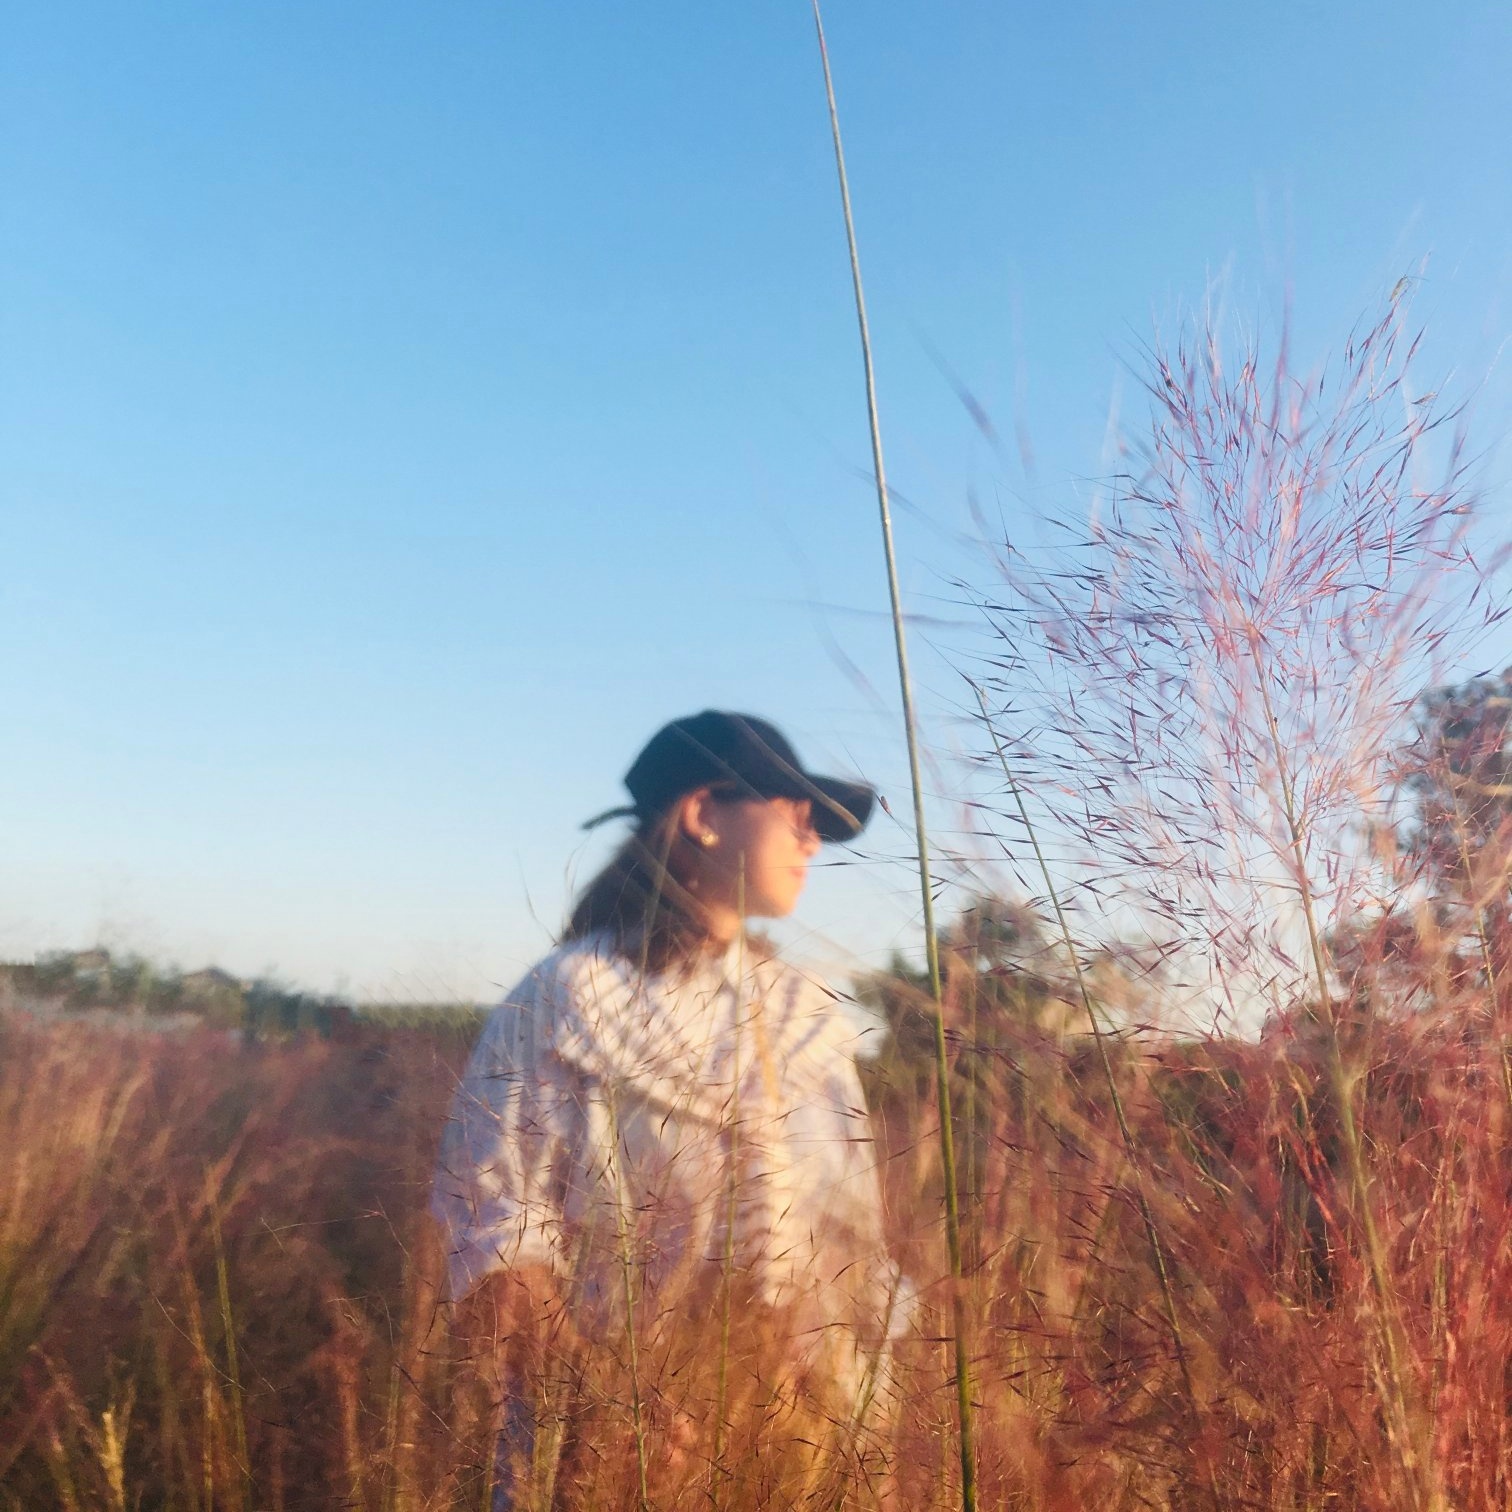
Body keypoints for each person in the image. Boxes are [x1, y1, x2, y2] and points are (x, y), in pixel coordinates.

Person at [430, 711, 907, 1507]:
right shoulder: (563, 1002)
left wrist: (848, 1422)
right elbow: (495, 1241)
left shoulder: (804, 1021)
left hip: (793, 1458)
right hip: (597, 1465)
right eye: (794, 815)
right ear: (701, 816)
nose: (813, 841)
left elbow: (856, 1249)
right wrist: (617, 1409)